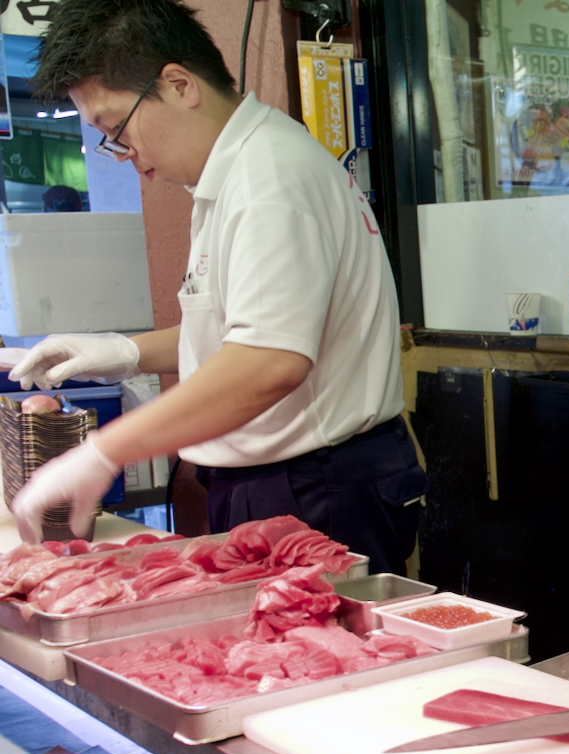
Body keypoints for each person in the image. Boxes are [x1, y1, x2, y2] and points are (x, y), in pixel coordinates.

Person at [9, 0, 424, 574]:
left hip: (314, 489)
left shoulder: (267, 181)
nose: (125, 155)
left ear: (179, 85)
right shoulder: (233, 174)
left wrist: (106, 451)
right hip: (290, 481)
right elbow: (246, 326)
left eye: (115, 129)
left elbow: (268, 362)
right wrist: (124, 352)